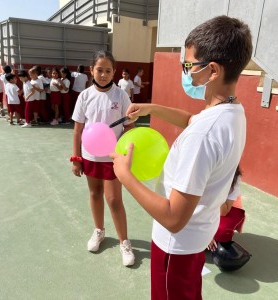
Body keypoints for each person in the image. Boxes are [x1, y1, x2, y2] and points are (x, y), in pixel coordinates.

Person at [110, 15, 252, 299]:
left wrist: (125, 175)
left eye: (188, 65)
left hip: (176, 245)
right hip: (196, 237)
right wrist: (153, 108)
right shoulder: (232, 111)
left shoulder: (202, 136)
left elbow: (174, 218)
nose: (185, 73)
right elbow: (192, 119)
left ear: (212, 70)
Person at [71, 50, 136, 267]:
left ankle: (124, 242)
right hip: (90, 157)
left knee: (114, 200)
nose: (103, 74)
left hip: (112, 158)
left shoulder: (121, 96)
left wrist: (123, 153)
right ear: (91, 70)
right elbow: (78, 129)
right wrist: (76, 157)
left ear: (114, 72)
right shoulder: (85, 96)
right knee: (94, 193)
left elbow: (129, 128)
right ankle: (99, 231)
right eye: (99, 70)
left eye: (108, 70)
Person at [207, 165, 245, 252]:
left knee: (221, 230)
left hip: (225, 210)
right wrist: (203, 233)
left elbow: (223, 212)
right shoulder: (202, 168)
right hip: (202, 209)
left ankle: (215, 239)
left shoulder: (235, 176)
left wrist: (218, 186)